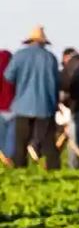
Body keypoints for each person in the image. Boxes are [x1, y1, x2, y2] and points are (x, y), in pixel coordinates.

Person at [4, 27, 61, 169]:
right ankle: (54, 168)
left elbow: (8, 76)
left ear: (29, 41)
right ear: (43, 42)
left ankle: (19, 168)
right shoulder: (51, 58)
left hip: (23, 105)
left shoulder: (19, 56)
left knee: (20, 141)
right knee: (48, 142)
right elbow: (56, 83)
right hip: (45, 106)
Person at [0, 50, 14, 158]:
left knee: (1, 135)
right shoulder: (15, 72)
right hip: (14, 109)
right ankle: (8, 158)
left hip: (1, 108)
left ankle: (2, 158)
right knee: (11, 137)